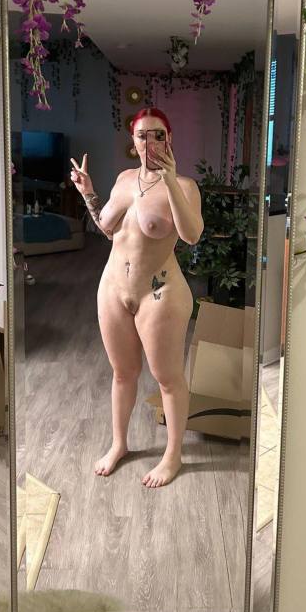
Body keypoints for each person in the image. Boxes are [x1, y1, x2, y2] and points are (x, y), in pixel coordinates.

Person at [69, 107, 204, 488]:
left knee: (167, 378)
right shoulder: (124, 179)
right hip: (113, 288)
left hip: (159, 293)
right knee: (122, 373)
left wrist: (170, 181)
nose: (150, 142)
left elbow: (191, 235)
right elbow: (108, 229)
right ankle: (119, 444)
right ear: (133, 141)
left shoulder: (186, 186)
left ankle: (173, 456)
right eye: (142, 135)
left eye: (158, 134)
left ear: (169, 138)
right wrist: (88, 192)